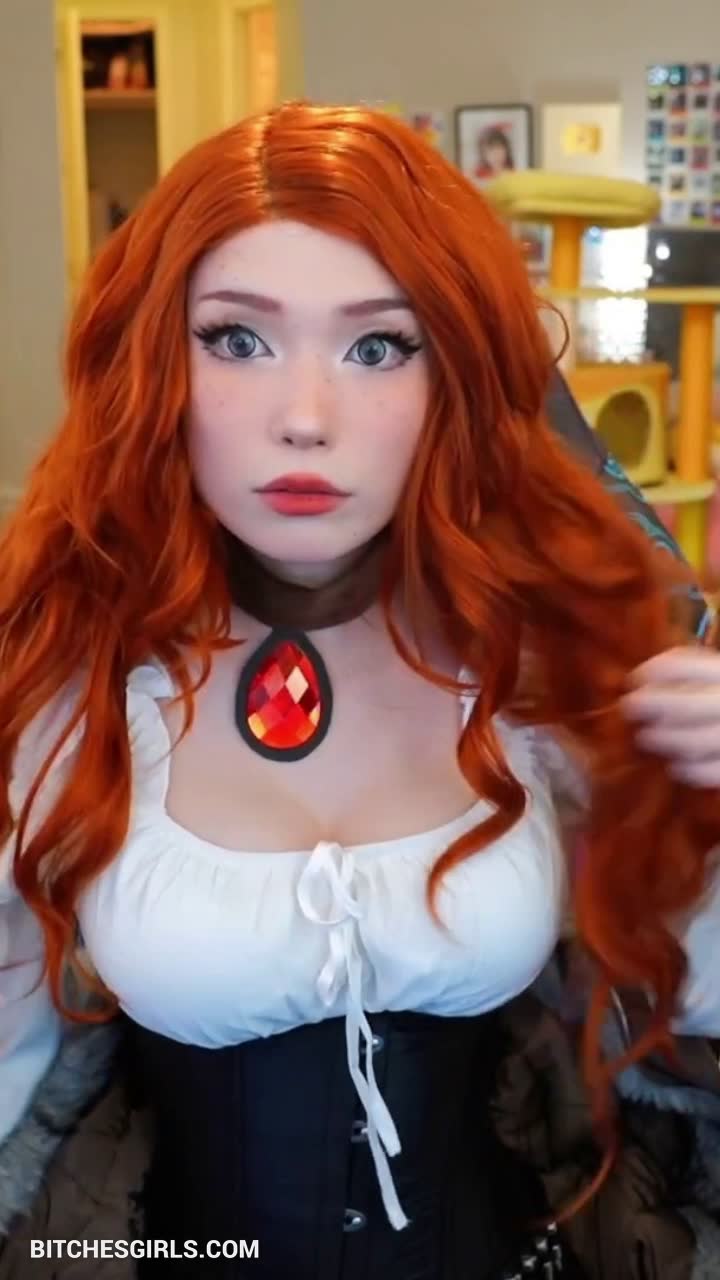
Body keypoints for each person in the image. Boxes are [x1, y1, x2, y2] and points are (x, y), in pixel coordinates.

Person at [2, 102, 720, 1280]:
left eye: (379, 346)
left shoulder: (538, 666)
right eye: (236, 338)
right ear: (152, 365)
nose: (305, 418)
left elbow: (693, 991)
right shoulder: (67, 675)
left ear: (461, 378)